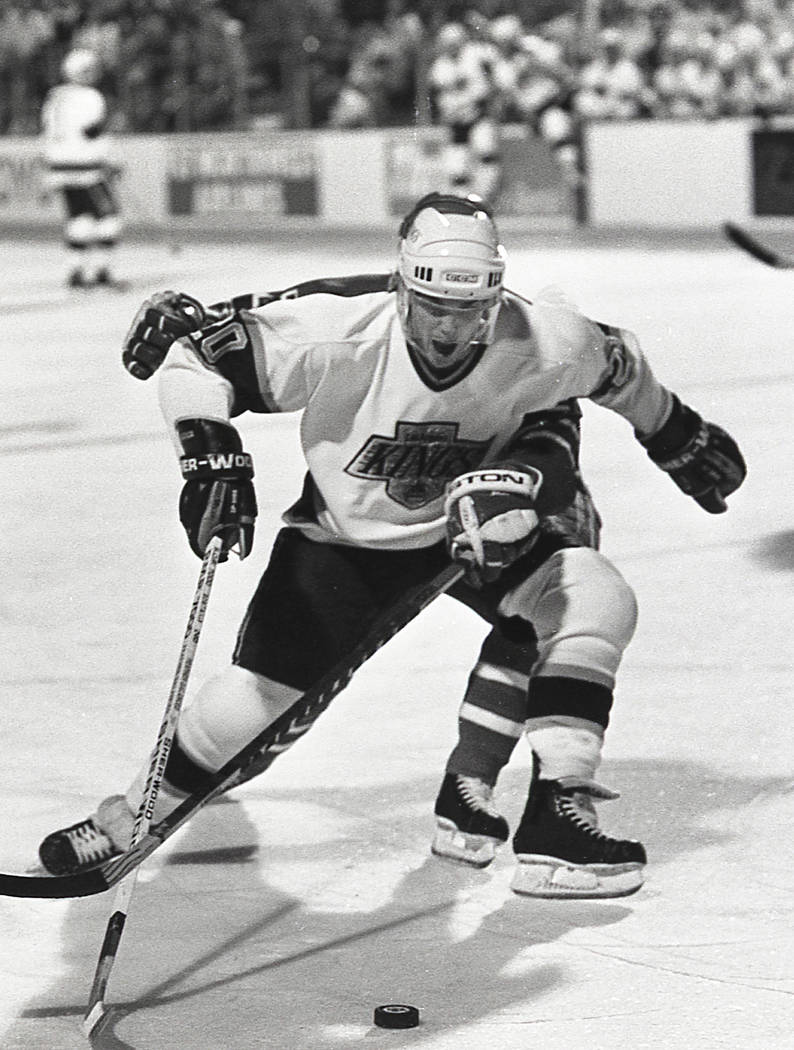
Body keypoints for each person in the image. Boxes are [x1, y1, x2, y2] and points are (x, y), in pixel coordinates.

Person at [38, 193, 745, 899]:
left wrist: (674, 431)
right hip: (346, 540)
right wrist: (210, 457)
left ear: (496, 298)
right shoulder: (337, 330)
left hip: (473, 527)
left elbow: (620, 364)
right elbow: (199, 361)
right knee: (255, 703)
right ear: (401, 286)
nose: (450, 328)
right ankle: (128, 819)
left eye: (471, 310)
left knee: (593, 594)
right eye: (434, 306)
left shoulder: (543, 340)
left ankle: (556, 813)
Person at [40, 48, 124, 290]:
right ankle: (102, 271)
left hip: (59, 167)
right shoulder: (91, 96)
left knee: (80, 218)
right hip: (87, 167)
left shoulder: (55, 97)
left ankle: (75, 271)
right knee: (109, 219)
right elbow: (91, 131)